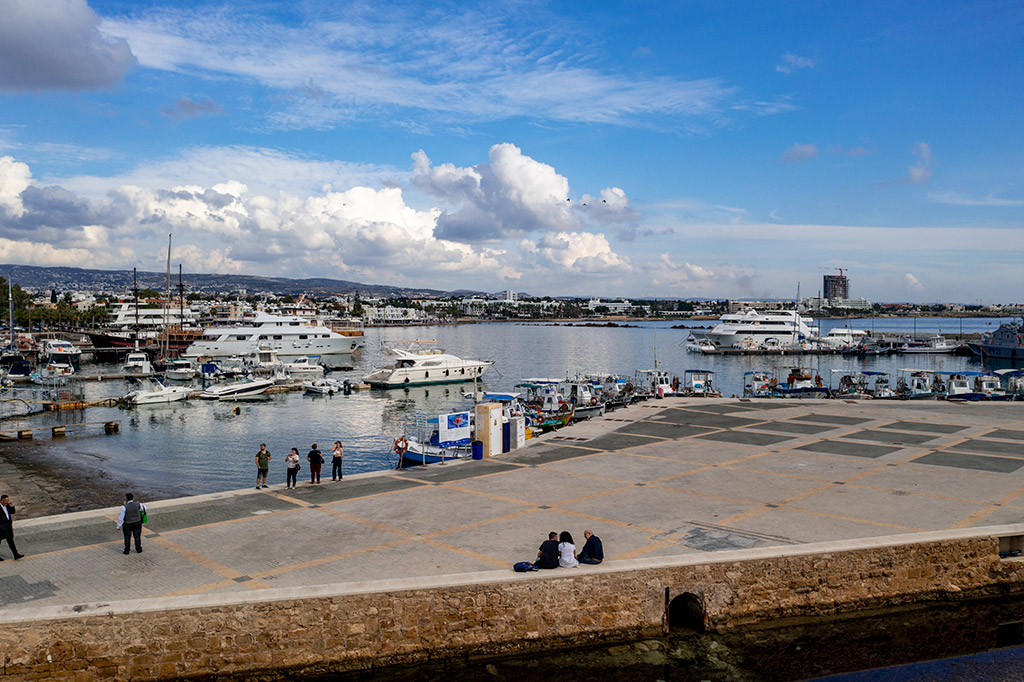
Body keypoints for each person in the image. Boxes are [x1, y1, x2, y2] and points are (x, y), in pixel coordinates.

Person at [0, 494, 24, 560]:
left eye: (8, 500)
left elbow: (12, 512)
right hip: (1, 528)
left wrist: (12, 506)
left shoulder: (7, 505)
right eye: (6, 501)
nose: (7, 502)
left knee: (11, 541)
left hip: (8, 527)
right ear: (2, 500)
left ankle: (16, 554)